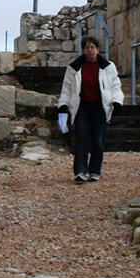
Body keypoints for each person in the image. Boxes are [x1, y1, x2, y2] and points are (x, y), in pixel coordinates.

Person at [57, 38, 124, 183]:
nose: (90, 50)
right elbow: (67, 88)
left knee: (98, 140)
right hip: (82, 107)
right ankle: (80, 171)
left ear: (98, 49)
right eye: (87, 47)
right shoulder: (74, 68)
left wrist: (117, 101)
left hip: (100, 107)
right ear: (83, 50)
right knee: (81, 138)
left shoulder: (108, 67)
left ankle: (95, 171)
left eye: (92, 47)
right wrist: (63, 104)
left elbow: (115, 87)